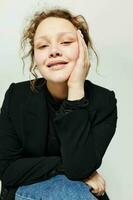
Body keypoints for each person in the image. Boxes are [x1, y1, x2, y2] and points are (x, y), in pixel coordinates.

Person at [0, 8, 117, 200]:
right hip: (24, 189)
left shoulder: (104, 102)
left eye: (66, 42)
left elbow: (79, 167)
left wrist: (76, 90)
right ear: (35, 58)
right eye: (43, 46)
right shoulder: (17, 96)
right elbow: (7, 170)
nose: (54, 51)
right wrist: (62, 165)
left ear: (83, 49)